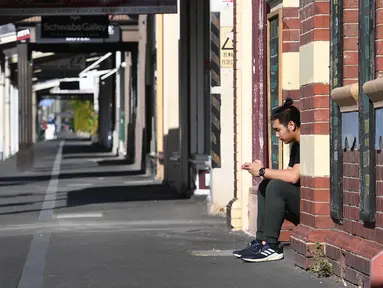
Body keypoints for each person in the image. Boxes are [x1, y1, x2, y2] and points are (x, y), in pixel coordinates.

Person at [233, 98, 300, 263]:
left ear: (291, 125)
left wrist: (263, 171)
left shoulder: (306, 141)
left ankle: (271, 245)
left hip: (309, 206)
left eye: (278, 130)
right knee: (267, 184)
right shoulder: (296, 145)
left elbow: (293, 177)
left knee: (276, 186)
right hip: (301, 201)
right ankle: (261, 242)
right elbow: (291, 172)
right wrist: (265, 173)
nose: (277, 135)